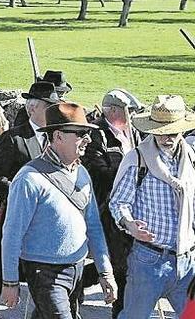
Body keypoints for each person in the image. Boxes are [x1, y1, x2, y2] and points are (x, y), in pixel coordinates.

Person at [1, 103, 116, 318]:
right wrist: (10, 281)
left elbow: (93, 226)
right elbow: (11, 234)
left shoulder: (82, 172)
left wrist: (105, 271)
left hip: (77, 269)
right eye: (81, 133)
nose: (88, 140)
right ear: (58, 136)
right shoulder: (28, 178)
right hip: (44, 273)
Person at [109, 95, 195, 317]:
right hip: (148, 260)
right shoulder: (137, 159)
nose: (167, 137)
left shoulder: (191, 158)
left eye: (172, 132)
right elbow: (118, 203)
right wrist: (130, 225)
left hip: (188, 259)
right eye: (161, 132)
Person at [0, 81, 58, 311]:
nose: (53, 111)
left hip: (48, 219)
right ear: (32, 109)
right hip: (15, 213)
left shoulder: (57, 138)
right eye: (49, 106)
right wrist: (21, 197)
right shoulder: (14, 138)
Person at [80, 88, 144, 317]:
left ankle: (78, 281)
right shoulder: (97, 135)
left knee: (120, 263)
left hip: (133, 208)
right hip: (106, 209)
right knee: (119, 265)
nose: (132, 115)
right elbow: (98, 170)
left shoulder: (134, 132)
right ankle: (119, 310)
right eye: (129, 110)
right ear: (114, 111)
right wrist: (132, 172)